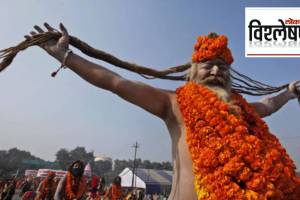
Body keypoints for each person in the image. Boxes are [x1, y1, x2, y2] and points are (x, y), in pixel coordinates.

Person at [27, 24, 300, 199]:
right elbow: (115, 83)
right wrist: (66, 56)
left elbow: (268, 105)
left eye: (223, 66)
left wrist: (288, 92)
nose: (217, 71)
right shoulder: (175, 103)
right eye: (208, 65)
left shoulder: (241, 111)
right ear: (193, 72)